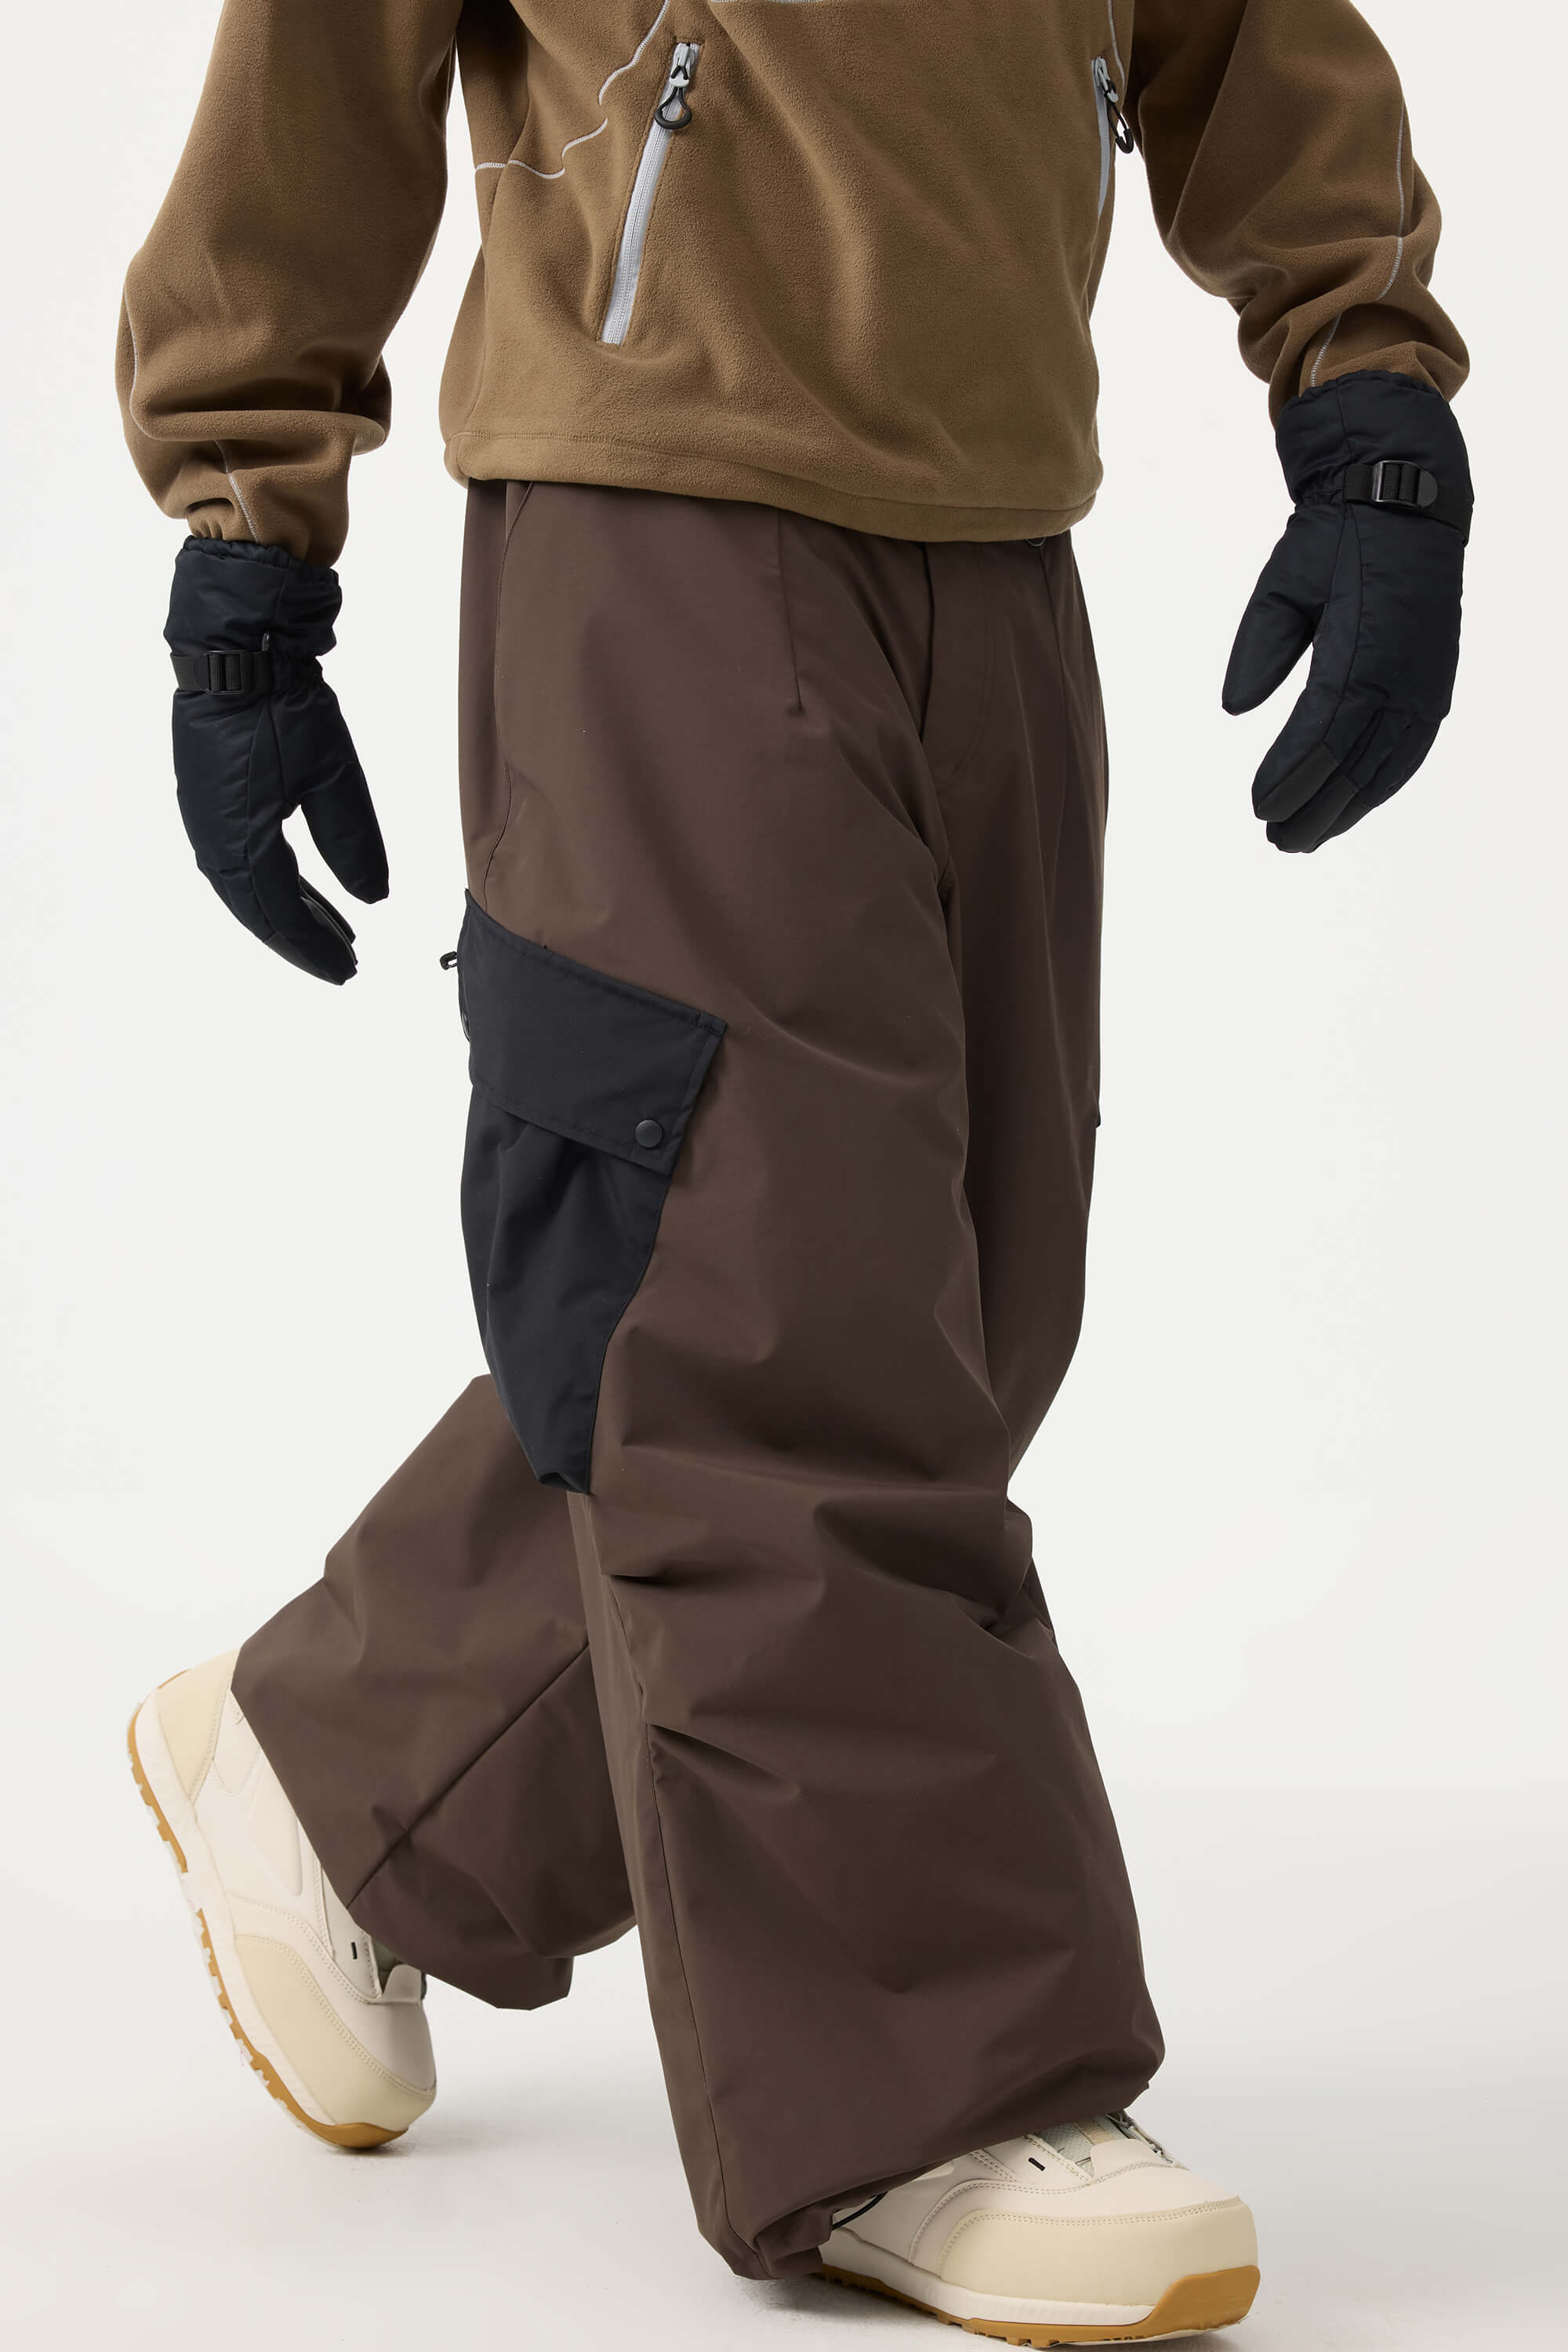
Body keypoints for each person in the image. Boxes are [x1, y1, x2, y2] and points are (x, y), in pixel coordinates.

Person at [118, 1, 1471, 2338]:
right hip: (659, 497)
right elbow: (320, 54)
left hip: (995, 528)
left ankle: (354, 1764)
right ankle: (925, 2090)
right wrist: (249, 539)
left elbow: (1236, 26)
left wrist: (1367, 399)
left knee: (937, 1303)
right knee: (774, 1320)